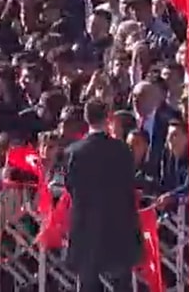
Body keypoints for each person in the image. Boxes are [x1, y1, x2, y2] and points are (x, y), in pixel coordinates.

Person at [64, 99, 142, 292]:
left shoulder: (73, 152)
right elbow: (129, 183)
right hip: (118, 227)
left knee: (88, 284)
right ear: (107, 118)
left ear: (86, 118)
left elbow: (70, 186)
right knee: (120, 284)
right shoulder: (122, 149)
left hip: (87, 229)